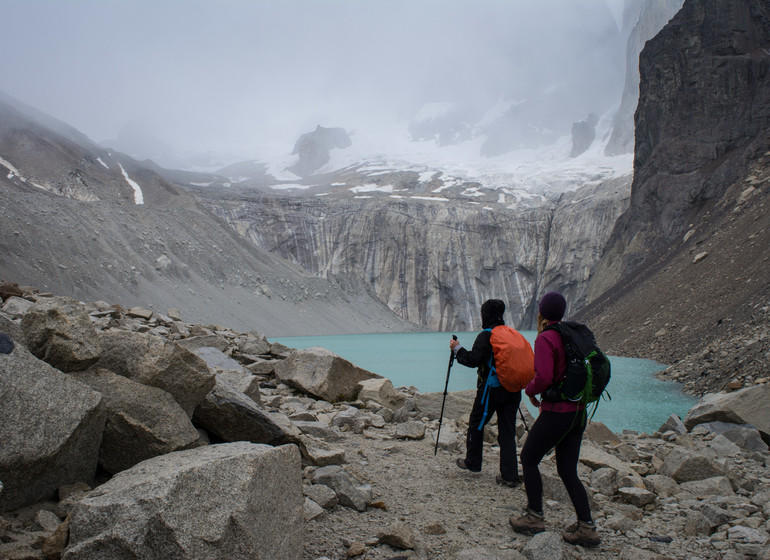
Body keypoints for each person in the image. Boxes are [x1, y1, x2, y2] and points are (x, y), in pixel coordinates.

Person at [508, 291, 600, 547]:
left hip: (557, 413)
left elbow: (545, 376)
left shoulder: (546, 338)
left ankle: (534, 516)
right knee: (568, 470)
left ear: (542, 312)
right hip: (577, 413)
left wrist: (529, 390)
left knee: (528, 458)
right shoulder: (571, 335)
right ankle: (587, 527)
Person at [449, 299, 521, 487]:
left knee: (477, 423)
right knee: (507, 432)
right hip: (513, 390)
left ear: (485, 315)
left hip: (491, 389)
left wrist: (457, 349)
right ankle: (510, 476)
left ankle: (473, 462)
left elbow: (473, 360)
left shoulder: (487, 335)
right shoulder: (512, 334)